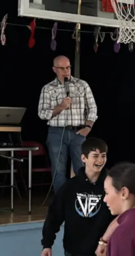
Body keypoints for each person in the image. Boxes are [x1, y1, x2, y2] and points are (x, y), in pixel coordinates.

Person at [38, 55, 98, 193]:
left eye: (68, 67)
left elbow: (92, 108)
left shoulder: (82, 85)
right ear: (54, 69)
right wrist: (60, 107)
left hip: (78, 132)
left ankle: (82, 198)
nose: (66, 71)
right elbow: (42, 113)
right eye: (61, 68)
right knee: (58, 170)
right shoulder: (48, 88)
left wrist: (88, 127)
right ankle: (62, 200)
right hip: (56, 132)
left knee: (81, 167)